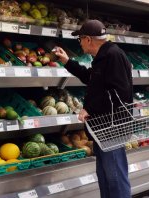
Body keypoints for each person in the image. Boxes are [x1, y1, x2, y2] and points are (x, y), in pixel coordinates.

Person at [54, 20, 132, 198]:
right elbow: (92, 78)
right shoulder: (103, 57)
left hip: (112, 128)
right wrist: (68, 62)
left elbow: (120, 93)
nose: (79, 43)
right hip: (102, 128)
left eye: (80, 39)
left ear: (88, 39)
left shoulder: (113, 56)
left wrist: (89, 108)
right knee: (105, 177)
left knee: (115, 178)